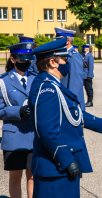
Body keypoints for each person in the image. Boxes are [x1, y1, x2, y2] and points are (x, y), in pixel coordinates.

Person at [28, 37, 102, 198]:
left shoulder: (54, 84)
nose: (67, 62)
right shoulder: (47, 89)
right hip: (56, 167)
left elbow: (73, 113)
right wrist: (66, 160)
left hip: (61, 166)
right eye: (64, 59)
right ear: (52, 62)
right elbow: (46, 131)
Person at [0, 41, 35, 198]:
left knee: (33, 176)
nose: (26, 62)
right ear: (13, 59)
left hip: (34, 135)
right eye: (22, 59)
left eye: (29, 58)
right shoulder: (3, 81)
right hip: (14, 136)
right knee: (15, 177)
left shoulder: (36, 79)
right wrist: (17, 111)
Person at [54, 27, 86, 111]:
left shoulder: (73, 57)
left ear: (67, 41)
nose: (56, 43)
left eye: (59, 40)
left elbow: (75, 84)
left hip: (71, 104)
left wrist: (71, 105)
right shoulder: (63, 54)